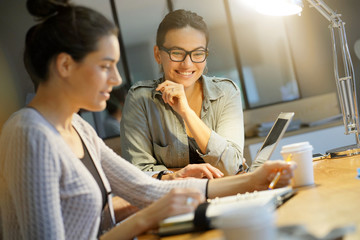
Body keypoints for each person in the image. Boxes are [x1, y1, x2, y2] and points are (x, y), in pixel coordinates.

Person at [0, 1, 296, 239]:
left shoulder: (77, 128)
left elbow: (148, 190)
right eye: (106, 66)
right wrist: (146, 217)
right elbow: (149, 199)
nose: (116, 79)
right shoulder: (29, 133)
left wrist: (254, 180)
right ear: (65, 65)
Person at [120, 9, 244, 179]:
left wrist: (186, 112)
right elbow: (138, 174)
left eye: (198, 53)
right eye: (177, 53)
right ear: (158, 54)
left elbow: (232, 167)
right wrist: (180, 176)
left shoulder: (226, 92)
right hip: (173, 202)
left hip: (230, 195)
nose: (187, 63)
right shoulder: (141, 99)